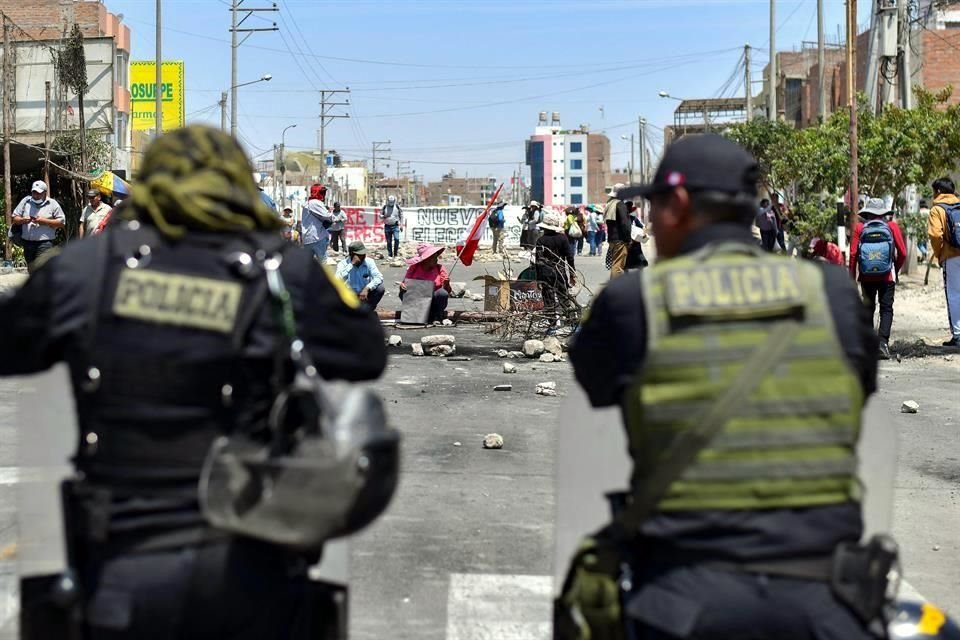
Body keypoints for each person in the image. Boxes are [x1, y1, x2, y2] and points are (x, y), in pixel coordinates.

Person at [0, 125, 388, 639]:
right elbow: (365, 353)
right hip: (251, 552)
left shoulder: (87, 268)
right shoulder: (278, 269)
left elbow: (12, 346)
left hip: (119, 556)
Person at [567, 134, 880, 640]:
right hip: (827, 601)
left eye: (654, 206)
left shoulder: (633, 302)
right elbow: (860, 392)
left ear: (680, 206)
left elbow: (597, 385)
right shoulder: (832, 294)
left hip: (682, 601)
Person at [849, 197, 907, 360]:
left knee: (868, 307)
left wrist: (852, 277)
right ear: (883, 213)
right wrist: (896, 267)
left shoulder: (859, 228)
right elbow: (902, 252)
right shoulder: (892, 226)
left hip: (866, 276)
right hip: (887, 275)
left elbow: (853, 255)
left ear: (867, 213)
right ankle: (883, 344)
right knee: (886, 308)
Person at [928, 177, 960, 348]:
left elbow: (935, 235)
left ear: (938, 191)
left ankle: (958, 336)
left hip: (951, 256)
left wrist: (940, 253)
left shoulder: (937, 209)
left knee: (954, 295)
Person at [12, 180, 64, 272]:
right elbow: (15, 218)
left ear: (45, 193)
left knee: (41, 269)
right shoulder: (25, 201)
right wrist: (23, 220)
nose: (35, 195)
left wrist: (45, 221)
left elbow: (61, 223)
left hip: (44, 243)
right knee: (31, 270)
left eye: (38, 193)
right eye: (34, 192)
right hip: (27, 243)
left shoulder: (52, 204)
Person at [535, 211, 575, 327]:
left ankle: (552, 325)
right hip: (560, 271)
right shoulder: (563, 239)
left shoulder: (541, 240)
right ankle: (569, 322)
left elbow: (538, 261)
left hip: (545, 273)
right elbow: (569, 258)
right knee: (564, 297)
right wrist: (572, 274)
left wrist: (538, 279)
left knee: (548, 299)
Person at [400, 243, 451, 323]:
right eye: (433, 257)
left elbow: (447, 291)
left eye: (436, 256)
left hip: (433, 302)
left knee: (442, 293)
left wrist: (447, 284)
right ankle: (413, 316)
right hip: (416, 300)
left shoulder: (440, 268)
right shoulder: (414, 268)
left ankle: (437, 317)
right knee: (403, 292)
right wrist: (403, 286)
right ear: (426, 259)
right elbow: (406, 282)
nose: (436, 259)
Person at [336, 241, 385, 311]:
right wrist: (351, 265)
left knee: (380, 288)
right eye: (360, 254)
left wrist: (367, 288)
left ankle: (368, 310)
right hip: (349, 296)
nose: (364, 256)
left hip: (364, 295)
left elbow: (379, 277)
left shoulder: (369, 262)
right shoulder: (343, 264)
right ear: (352, 254)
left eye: (364, 253)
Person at [603, 184, 631, 277]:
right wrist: (628, 239)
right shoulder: (620, 204)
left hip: (612, 238)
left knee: (615, 264)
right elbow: (625, 223)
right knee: (618, 266)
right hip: (620, 239)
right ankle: (615, 288)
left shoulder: (610, 203)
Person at [301, 184, 333, 261]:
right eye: (321, 192)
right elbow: (328, 216)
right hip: (317, 237)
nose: (323, 195)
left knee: (308, 265)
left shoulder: (308, 203)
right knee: (323, 264)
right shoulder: (315, 202)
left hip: (307, 238)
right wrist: (330, 211)